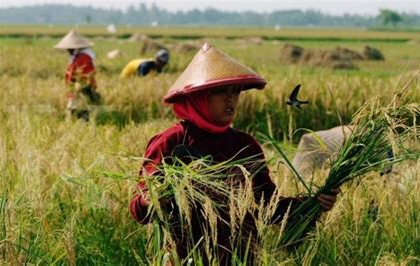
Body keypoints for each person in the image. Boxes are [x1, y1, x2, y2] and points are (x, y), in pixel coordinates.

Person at [129, 43, 339, 264]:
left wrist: (314, 203)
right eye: (220, 91)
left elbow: (269, 206)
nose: (231, 99)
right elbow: (138, 210)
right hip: (187, 255)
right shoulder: (172, 142)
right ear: (198, 97)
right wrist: (153, 199)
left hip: (241, 255)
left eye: (235, 91)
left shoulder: (244, 146)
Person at [54, 29, 101, 120]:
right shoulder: (77, 58)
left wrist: (81, 86)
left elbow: (88, 75)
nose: (69, 51)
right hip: (75, 89)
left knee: (79, 111)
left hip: (81, 90)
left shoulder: (84, 58)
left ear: (77, 48)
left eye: (70, 49)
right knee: (76, 111)